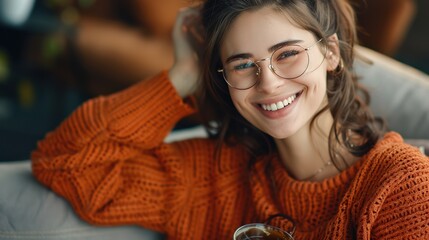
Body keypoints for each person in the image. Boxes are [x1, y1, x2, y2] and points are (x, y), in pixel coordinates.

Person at [31, 0, 429, 239]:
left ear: (330, 53)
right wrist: (182, 75)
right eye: (242, 64)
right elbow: (64, 161)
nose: (268, 83)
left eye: (288, 53)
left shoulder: (399, 186)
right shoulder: (216, 177)